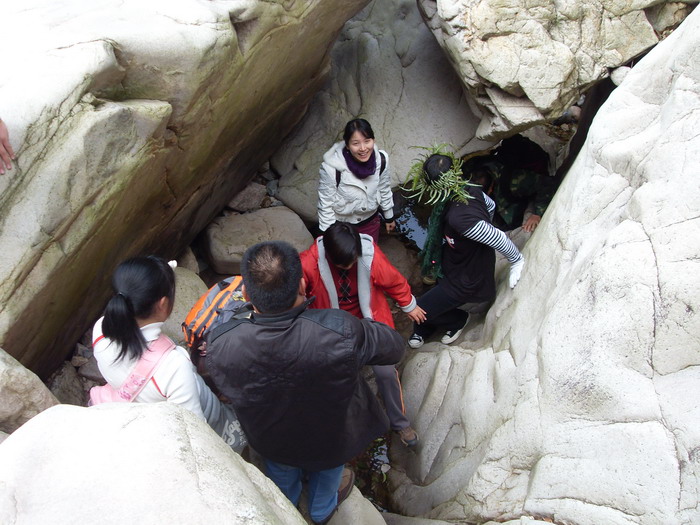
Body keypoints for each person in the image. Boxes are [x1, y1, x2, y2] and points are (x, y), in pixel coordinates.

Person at [205, 241, 405, 525]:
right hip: (334, 435)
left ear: (247, 293)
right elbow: (393, 347)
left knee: (282, 476)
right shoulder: (338, 328)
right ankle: (322, 512)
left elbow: (224, 387)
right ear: (302, 284)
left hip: (272, 438)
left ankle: (286, 510)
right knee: (328, 473)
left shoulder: (223, 341)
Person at [92, 256, 246, 452]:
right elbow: (196, 433)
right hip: (213, 421)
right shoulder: (173, 366)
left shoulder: (101, 330)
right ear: (163, 304)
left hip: (141, 405)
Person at [300, 221, 426, 447]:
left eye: (352, 262)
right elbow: (294, 289)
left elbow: (394, 281)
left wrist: (409, 305)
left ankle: (400, 423)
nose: (349, 267)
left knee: (386, 372)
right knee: (334, 376)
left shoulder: (369, 255)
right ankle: (344, 430)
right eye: (343, 264)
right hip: (332, 326)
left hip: (370, 321)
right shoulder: (310, 262)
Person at [403, 150, 525, 349]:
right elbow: (490, 205)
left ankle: (457, 319)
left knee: (418, 308)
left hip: (469, 277)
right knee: (434, 286)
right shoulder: (467, 188)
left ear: (434, 186)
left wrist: (516, 260)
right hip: (457, 259)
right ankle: (427, 324)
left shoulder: (462, 220)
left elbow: (497, 237)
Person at [317, 118, 396, 242]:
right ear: (347, 145)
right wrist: (327, 237)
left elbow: (384, 188)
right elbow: (325, 203)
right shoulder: (332, 168)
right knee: (343, 260)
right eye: (356, 143)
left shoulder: (381, 160)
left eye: (367, 141)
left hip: (370, 222)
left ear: (373, 140)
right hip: (342, 226)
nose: (363, 148)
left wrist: (389, 217)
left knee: (367, 258)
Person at [465, 135, 558, 233]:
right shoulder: (471, 172)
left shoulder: (514, 181)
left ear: (490, 189)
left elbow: (546, 183)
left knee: (507, 224)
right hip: (501, 187)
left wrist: (537, 213)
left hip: (514, 189)